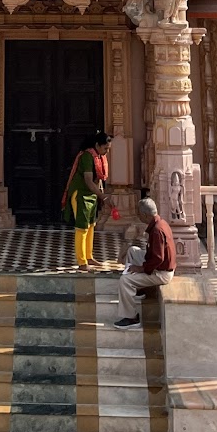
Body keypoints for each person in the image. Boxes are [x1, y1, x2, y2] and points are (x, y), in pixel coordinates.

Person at [114, 197, 176, 327]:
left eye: (139, 213)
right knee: (132, 251)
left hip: (162, 273)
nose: (138, 216)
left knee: (125, 281)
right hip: (158, 265)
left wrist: (141, 268)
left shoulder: (157, 230)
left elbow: (158, 259)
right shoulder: (160, 222)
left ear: (145, 215)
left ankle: (131, 317)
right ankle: (137, 289)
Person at [62, 131, 111, 269]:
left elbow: (98, 179)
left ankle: (89, 257)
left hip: (92, 195)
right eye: (105, 148)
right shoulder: (87, 156)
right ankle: (82, 261)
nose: (107, 151)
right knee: (82, 227)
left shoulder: (99, 157)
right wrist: (103, 197)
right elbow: (89, 181)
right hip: (81, 194)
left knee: (91, 226)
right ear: (97, 145)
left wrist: (102, 194)